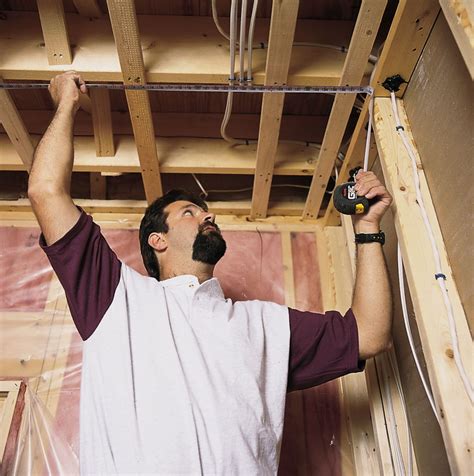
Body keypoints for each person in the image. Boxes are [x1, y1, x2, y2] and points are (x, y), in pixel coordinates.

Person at [28, 72, 393, 475]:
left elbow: (370, 334)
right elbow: (46, 190)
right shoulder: (116, 299)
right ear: (157, 241)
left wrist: (367, 227)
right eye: (190, 212)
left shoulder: (264, 325)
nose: (208, 215)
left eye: (205, 211)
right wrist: (67, 102)